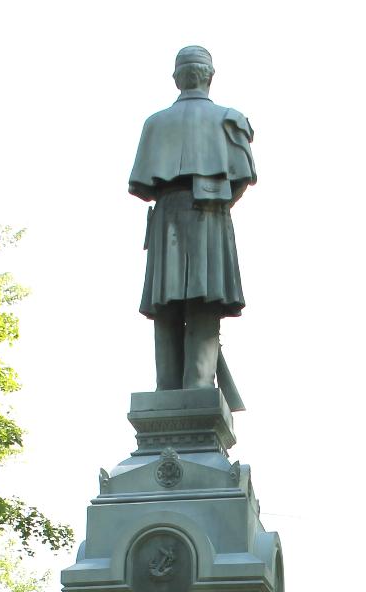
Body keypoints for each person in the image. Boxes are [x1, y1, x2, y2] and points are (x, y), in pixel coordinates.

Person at [129, 46, 256, 391]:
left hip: (166, 216)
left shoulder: (154, 123)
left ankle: (167, 389)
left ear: (176, 79)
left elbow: (141, 185)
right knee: (204, 304)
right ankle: (198, 387)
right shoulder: (231, 118)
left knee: (165, 307)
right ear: (210, 77)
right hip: (210, 216)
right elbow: (242, 176)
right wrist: (219, 204)